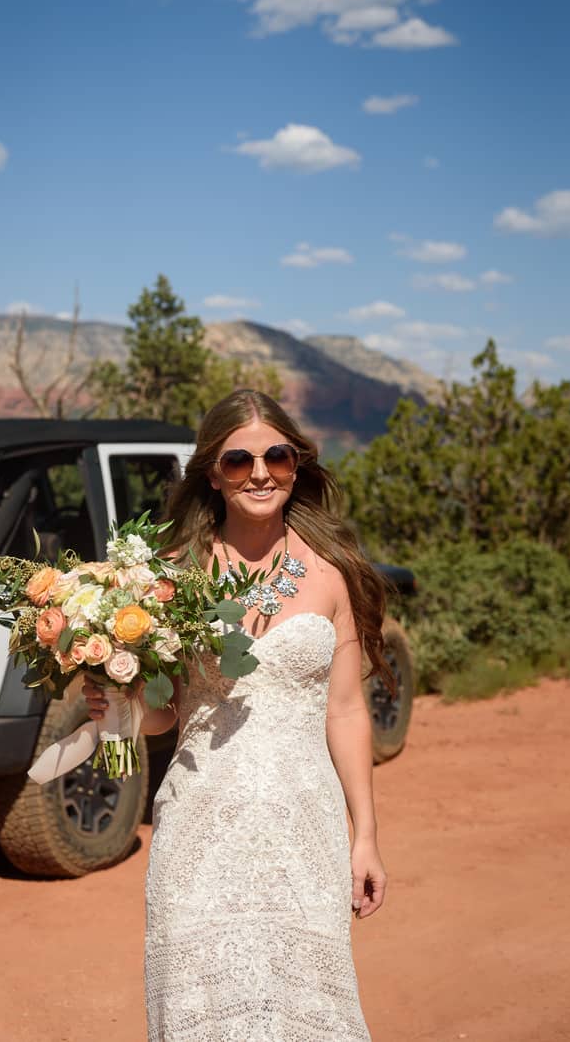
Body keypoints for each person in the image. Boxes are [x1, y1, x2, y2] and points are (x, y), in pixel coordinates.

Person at [84, 389, 391, 1041]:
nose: (259, 472)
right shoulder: (170, 578)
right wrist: (122, 704)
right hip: (200, 835)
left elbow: (345, 710)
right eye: (239, 459)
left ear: (297, 465)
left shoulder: (331, 574)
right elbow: (164, 717)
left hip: (302, 837)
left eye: (277, 456)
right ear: (212, 473)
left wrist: (363, 834)